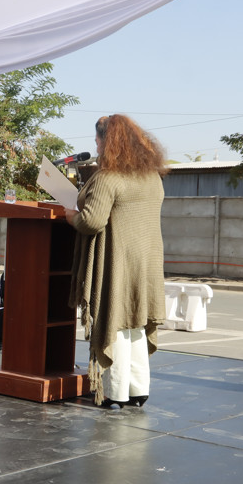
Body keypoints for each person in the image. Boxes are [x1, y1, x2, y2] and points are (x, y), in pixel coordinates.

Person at [65, 114, 166, 408]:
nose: (95, 144)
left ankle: (115, 393)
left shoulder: (109, 177)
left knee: (115, 322)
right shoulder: (151, 176)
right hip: (146, 261)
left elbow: (92, 221)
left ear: (109, 142)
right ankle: (139, 389)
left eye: (98, 139)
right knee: (135, 322)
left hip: (117, 259)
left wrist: (70, 216)